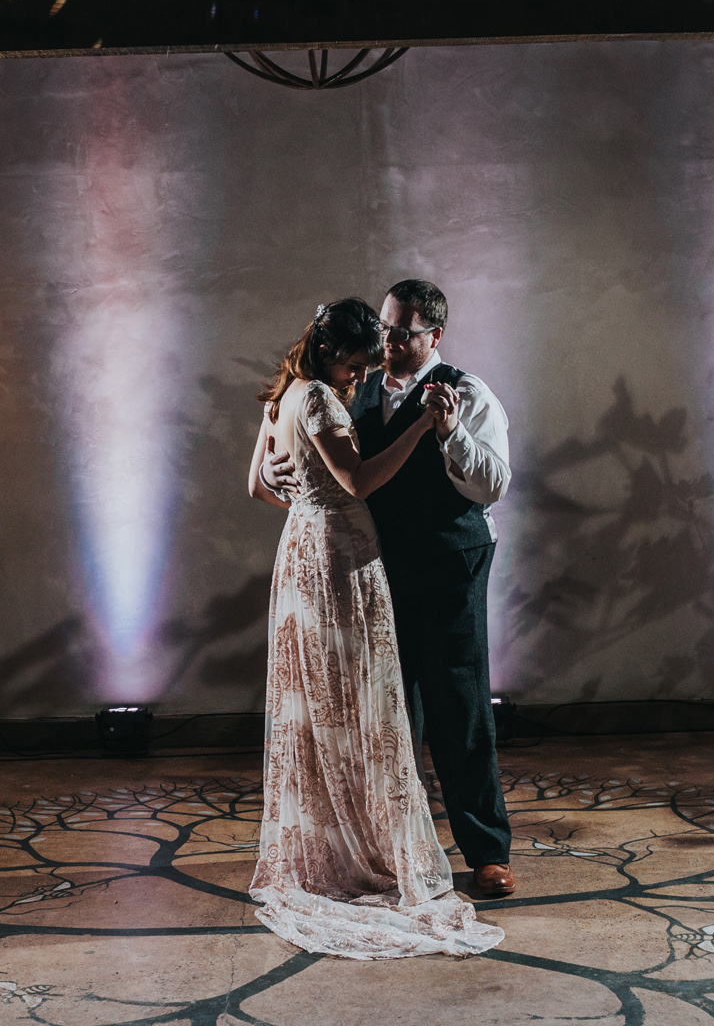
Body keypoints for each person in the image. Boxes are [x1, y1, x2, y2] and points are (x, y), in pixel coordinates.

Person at [244, 296, 503, 960]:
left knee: (456, 703)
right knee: (371, 714)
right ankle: (374, 848)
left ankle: (484, 850)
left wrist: (442, 431)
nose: (382, 355)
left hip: (441, 560)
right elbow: (340, 475)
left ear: (433, 334)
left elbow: (493, 482)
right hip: (355, 563)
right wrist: (289, 477)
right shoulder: (334, 396)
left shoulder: (464, 392)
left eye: (399, 335)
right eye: (378, 340)